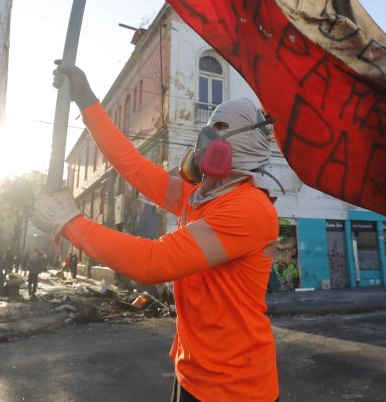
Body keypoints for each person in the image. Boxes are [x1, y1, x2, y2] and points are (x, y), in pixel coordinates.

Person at [35, 64, 280, 402]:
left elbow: (153, 262)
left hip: (235, 388)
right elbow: (133, 167)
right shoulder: (201, 197)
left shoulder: (249, 208)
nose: (206, 139)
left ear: (247, 142)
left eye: (220, 128)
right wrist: (86, 100)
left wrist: (69, 221)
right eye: (208, 129)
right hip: (191, 372)